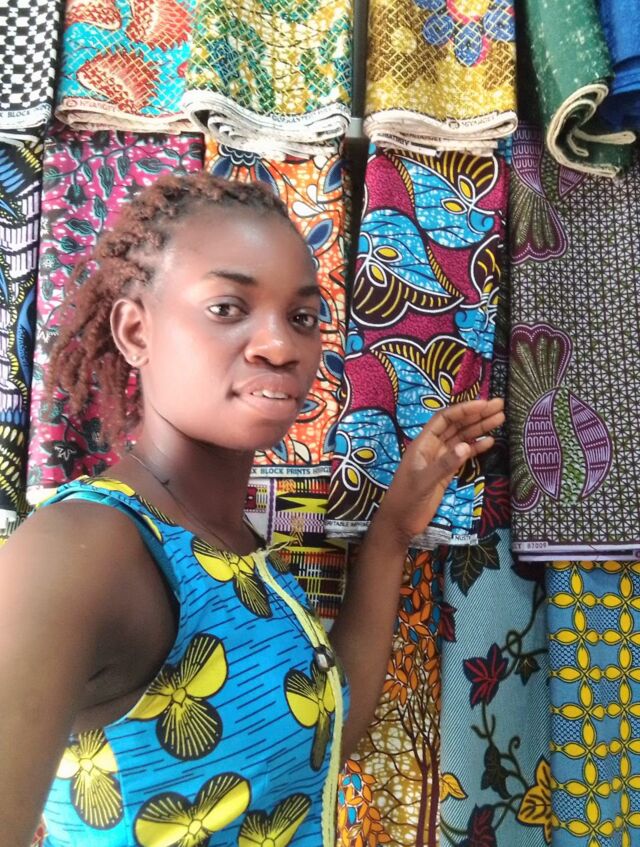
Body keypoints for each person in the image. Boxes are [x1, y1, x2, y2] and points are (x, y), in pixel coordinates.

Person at [0, 173, 504, 847]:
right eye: (227, 307)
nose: (280, 346)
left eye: (302, 317)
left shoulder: (232, 544)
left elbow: (320, 738)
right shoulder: (79, 550)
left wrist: (390, 533)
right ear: (136, 330)